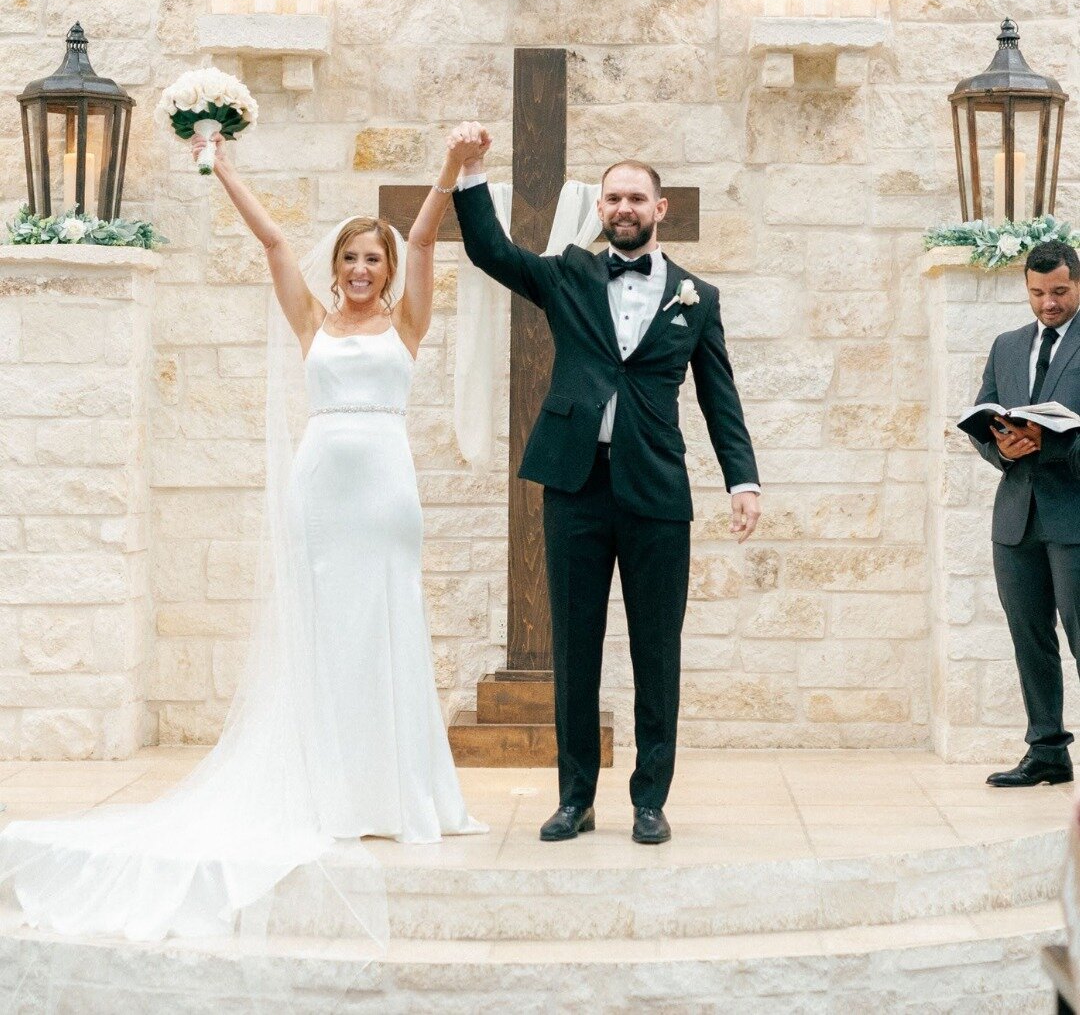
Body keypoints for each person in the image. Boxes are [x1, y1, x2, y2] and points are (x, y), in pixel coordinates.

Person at [0, 131, 485, 945]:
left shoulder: (409, 324)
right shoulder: (311, 320)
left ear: (389, 270)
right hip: (323, 490)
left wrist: (449, 170)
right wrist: (222, 166)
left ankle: (398, 797)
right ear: (336, 269)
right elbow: (273, 239)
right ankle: (327, 791)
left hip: (388, 494)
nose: (362, 270)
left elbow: (431, 232)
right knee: (325, 638)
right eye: (352, 260)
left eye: (374, 260)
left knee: (388, 630)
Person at [447, 122, 761, 845]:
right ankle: (574, 798)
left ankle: (650, 800)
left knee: (658, 652)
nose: (623, 207)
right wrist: (467, 173)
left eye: (636, 198)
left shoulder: (697, 298)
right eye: (613, 197)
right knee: (574, 650)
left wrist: (742, 480)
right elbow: (493, 252)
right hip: (574, 487)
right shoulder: (567, 274)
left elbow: (721, 397)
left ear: (660, 210)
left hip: (657, 494)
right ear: (603, 208)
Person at [970, 240, 1080, 788]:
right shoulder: (1007, 345)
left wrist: (1053, 444)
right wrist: (1001, 448)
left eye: (1059, 291)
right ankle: (1047, 751)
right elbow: (985, 416)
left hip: (1075, 517)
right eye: (1038, 293)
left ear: (1077, 284)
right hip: (1016, 516)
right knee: (1029, 636)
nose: (1048, 303)